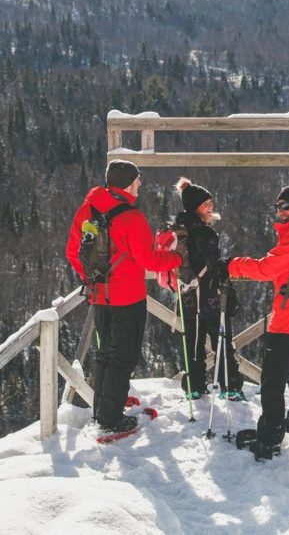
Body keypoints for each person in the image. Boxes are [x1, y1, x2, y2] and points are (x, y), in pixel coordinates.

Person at [66, 159, 181, 433]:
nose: (140, 185)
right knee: (124, 358)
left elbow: (73, 252)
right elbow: (150, 260)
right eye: (138, 180)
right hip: (128, 297)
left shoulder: (87, 211)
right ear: (129, 183)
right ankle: (109, 420)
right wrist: (176, 258)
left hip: (99, 296)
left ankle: (104, 409)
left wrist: (92, 279)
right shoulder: (131, 217)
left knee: (105, 353)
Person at [224, 183, 289, 459]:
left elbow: (266, 268)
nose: (280, 212)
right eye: (277, 207)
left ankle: (270, 437)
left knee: (273, 380)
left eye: (286, 206)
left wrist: (231, 265)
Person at [170, 177, 244, 400]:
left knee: (193, 344)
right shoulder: (205, 233)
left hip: (187, 296)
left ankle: (194, 387)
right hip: (209, 296)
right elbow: (215, 266)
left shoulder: (178, 231)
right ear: (195, 207)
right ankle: (229, 387)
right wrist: (229, 291)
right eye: (206, 204)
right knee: (221, 340)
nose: (210, 207)